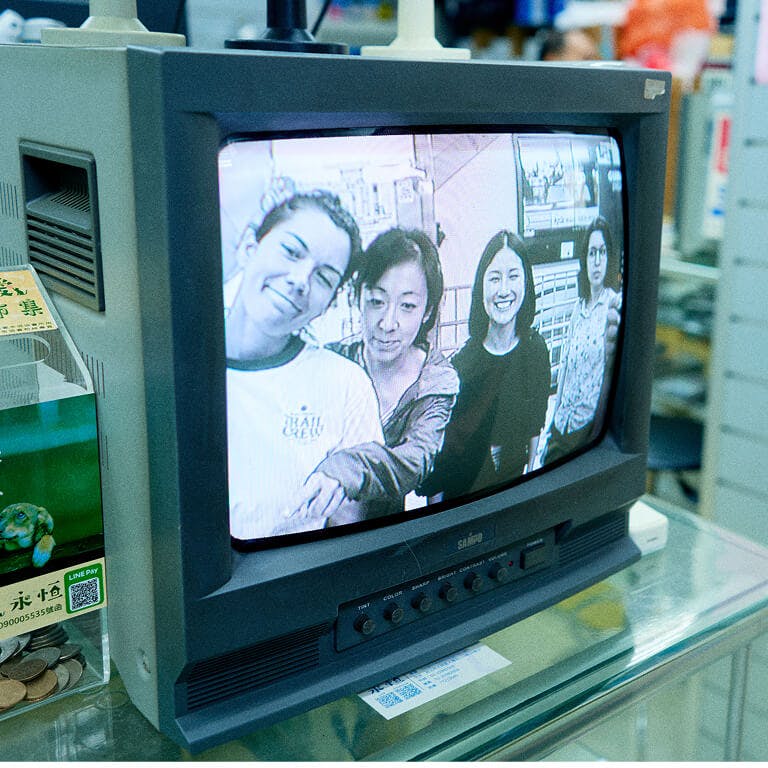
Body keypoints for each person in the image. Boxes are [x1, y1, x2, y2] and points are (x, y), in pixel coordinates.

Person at [224, 191, 385, 541]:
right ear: (249, 248)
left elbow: (348, 532)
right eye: (292, 251)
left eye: (324, 277)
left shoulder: (345, 385)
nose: (300, 280)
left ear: (327, 304)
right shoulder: (172, 367)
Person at [288, 227, 460, 524]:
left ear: (427, 311)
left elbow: (415, 460)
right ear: (359, 298)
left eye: (407, 306)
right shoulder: (333, 362)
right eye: (377, 301)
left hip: (378, 544)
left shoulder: (435, 381)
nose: (387, 323)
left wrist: (346, 468)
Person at [422, 230, 551, 501]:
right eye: (494, 278)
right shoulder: (459, 369)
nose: (504, 290)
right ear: (481, 287)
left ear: (526, 283)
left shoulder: (536, 352)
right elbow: (440, 475)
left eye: (513, 276)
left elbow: (534, 429)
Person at [544, 216, 622, 465]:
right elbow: (565, 367)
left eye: (602, 252)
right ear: (584, 260)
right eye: (591, 253)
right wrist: (553, 423)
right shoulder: (578, 309)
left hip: (586, 428)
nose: (597, 261)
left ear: (609, 258)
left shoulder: (613, 305)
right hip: (561, 425)